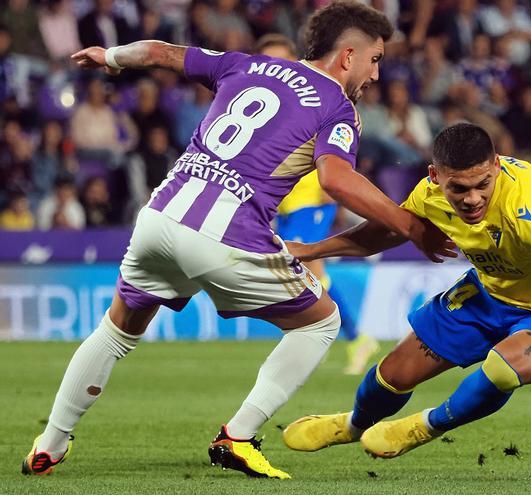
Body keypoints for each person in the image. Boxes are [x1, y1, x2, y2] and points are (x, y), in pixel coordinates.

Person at [22, 1, 451, 480]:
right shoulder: (337, 108)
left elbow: (161, 52)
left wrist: (112, 57)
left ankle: (50, 443)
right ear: (348, 56)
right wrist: (411, 226)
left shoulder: (245, 63)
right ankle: (239, 435)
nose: (376, 73)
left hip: (161, 217)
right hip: (228, 234)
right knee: (320, 323)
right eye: (374, 59)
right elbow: (336, 179)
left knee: (116, 332)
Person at [281, 123, 531, 460]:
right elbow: (384, 232)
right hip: (488, 294)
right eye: (459, 188)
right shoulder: (429, 195)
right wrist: (312, 250)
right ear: (435, 176)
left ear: (497, 165)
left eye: (483, 184)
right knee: (393, 374)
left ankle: (425, 427)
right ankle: (352, 425)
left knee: (503, 368)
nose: (472, 199)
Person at [255, 33, 380, 376]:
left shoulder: (309, 95)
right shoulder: (263, 99)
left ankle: (346, 336)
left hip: (311, 198)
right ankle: (330, 335)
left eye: (281, 57)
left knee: (306, 268)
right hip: (288, 203)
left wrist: (332, 188)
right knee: (305, 271)